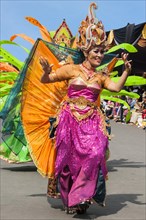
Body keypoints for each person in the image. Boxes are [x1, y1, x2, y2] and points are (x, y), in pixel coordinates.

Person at [38, 2, 131, 214]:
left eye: (101, 52)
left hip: (92, 120)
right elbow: (47, 80)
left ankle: (83, 194)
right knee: (68, 159)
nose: (100, 55)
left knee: (96, 153)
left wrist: (125, 71)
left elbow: (115, 88)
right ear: (86, 50)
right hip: (69, 119)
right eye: (96, 51)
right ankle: (74, 198)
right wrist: (45, 72)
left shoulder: (101, 76)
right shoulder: (71, 70)